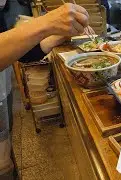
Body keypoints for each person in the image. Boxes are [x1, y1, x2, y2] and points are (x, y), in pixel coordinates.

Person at [0, 3, 90, 177]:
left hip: (3, 92)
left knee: (6, 161)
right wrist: (45, 24)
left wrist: (59, 35)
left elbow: (13, 51)